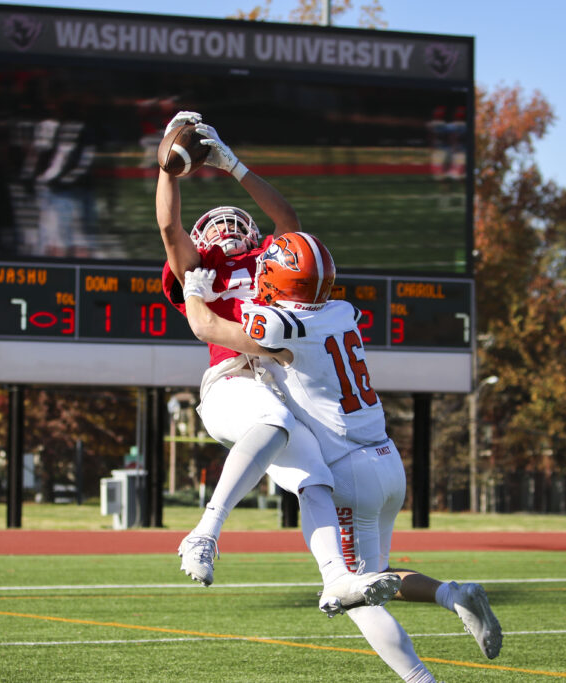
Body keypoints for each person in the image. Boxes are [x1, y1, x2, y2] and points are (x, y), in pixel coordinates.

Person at [180, 232, 502, 679]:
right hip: (386, 461)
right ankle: (453, 594)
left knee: (353, 596)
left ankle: (420, 679)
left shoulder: (282, 326)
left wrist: (193, 291)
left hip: (350, 471)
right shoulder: (342, 312)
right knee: (379, 575)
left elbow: (208, 328)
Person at [156, 111, 399, 614]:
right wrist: (167, 165)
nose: (225, 228)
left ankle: (337, 578)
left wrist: (235, 167)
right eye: (215, 224)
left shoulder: (267, 258)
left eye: (233, 220)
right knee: (274, 419)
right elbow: (167, 225)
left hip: (280, 384)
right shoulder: (202, 268)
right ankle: (205, 531)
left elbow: (289, 223)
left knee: (317, 480)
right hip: (232, 381)